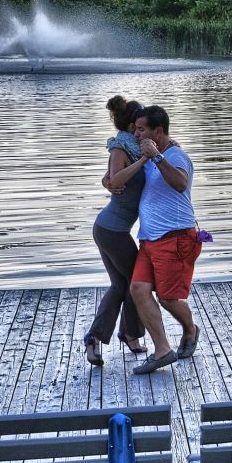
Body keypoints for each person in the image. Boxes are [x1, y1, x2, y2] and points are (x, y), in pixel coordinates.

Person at [109, 104, 202, 374]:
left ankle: (190, 329)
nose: (136, 134)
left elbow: (180, 183)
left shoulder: (176, 156)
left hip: (175, 238)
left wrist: (158, 156)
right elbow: (116, 178)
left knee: (168, 298)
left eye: (141, 130)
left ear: (158, 132)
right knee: (138, 289)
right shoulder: (148, 156)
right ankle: (162, 350)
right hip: (149, 240)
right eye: (135, 129)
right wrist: (109, 180)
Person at [85, 95, 148, 368]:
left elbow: (109, 179)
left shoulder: (132, 146)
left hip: (111, 228)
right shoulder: (122, 147)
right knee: (138, 282)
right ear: (132, 124)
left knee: (121, 285)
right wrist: (143, 160)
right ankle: (130, 334)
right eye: (140, 125)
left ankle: (96, 339)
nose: (142, 129)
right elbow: (115, 179)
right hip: (112, 230)